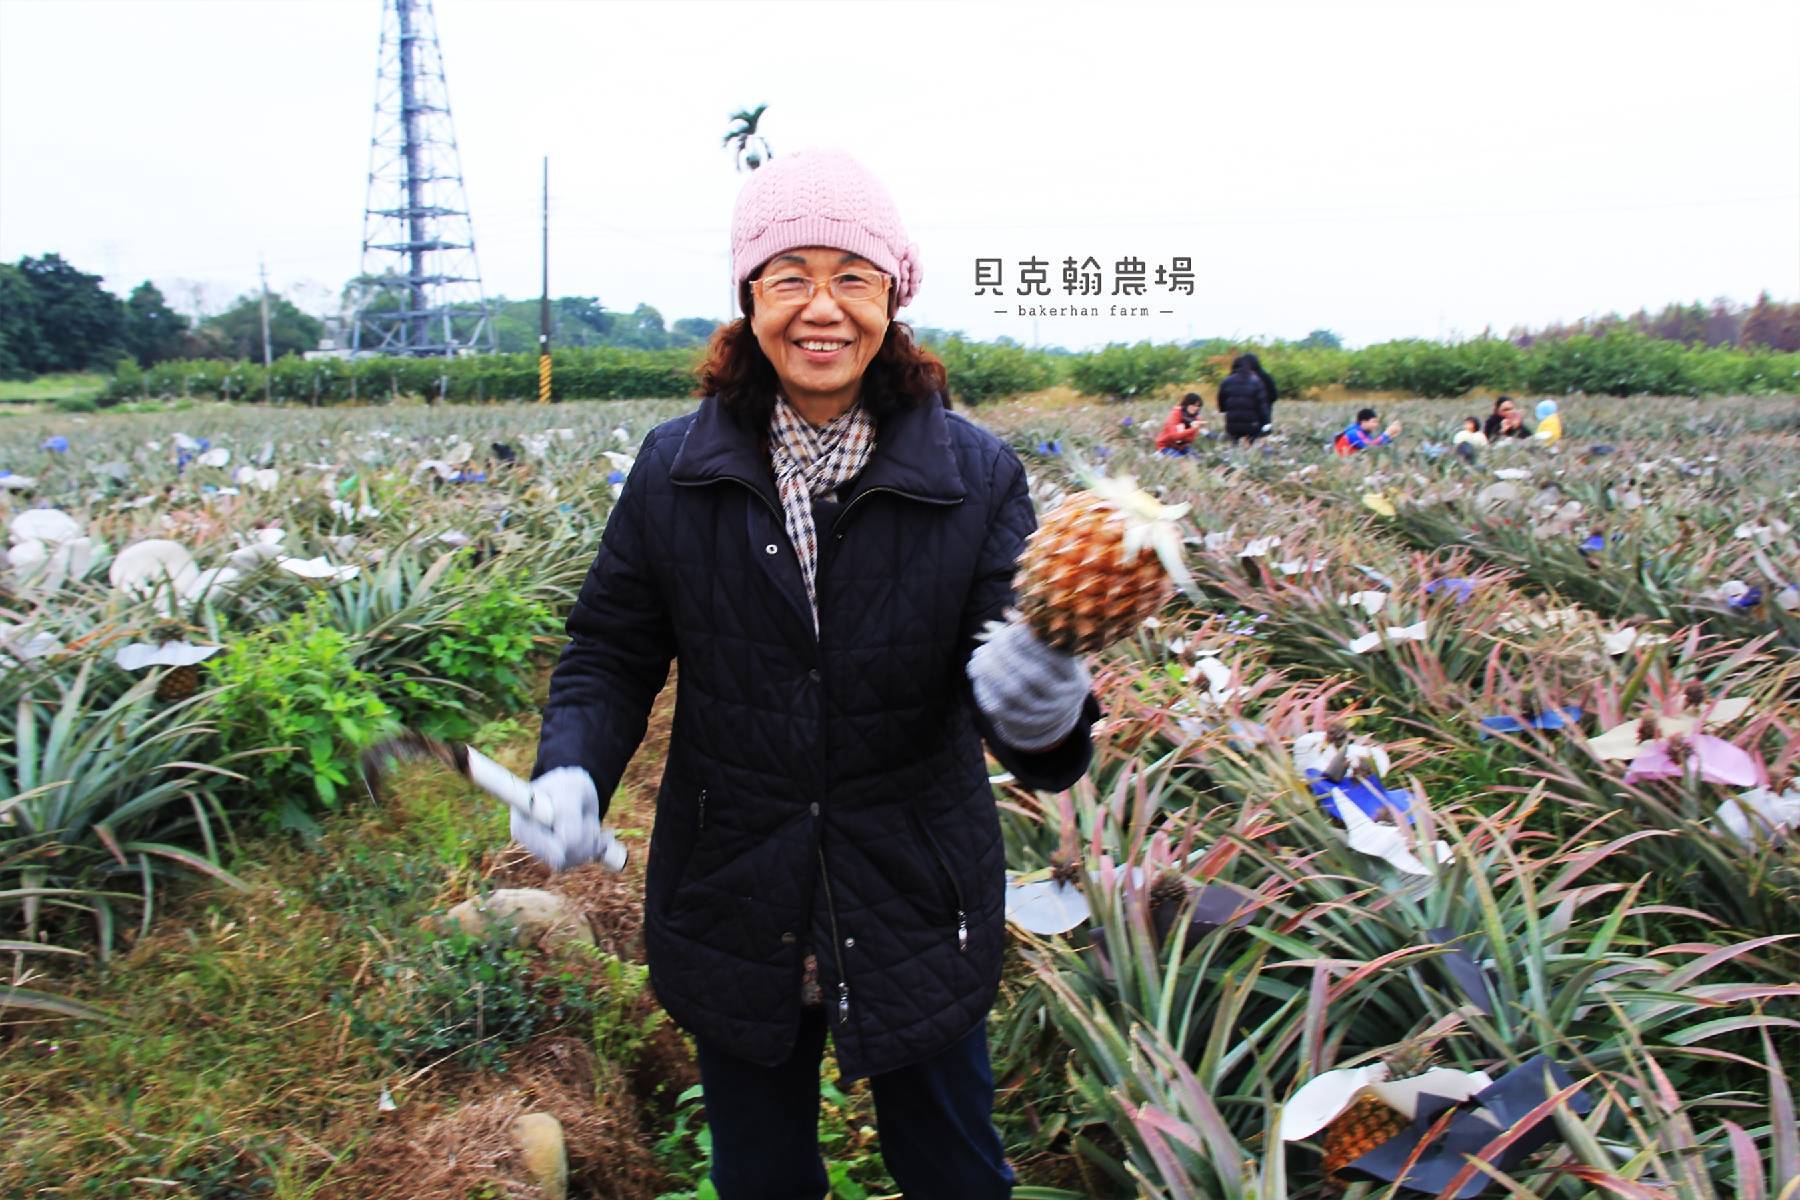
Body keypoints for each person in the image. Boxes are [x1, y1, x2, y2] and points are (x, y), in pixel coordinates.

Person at [523, 149, 1097, 1198]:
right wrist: (572, 768)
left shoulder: (973, 476)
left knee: (957, 1173)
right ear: (748, 298)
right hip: (738, 885)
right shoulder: (676, 469)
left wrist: (1049, 706)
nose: (820, 308)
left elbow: (1018, 695)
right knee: (763, 1177)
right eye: (789, 275)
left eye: (853, 276)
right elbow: (610, 651)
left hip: (914, 892)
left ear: (894, 295)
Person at [1216, 355, 1272, 442]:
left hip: (1232, 425)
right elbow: (1262, 406)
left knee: (1234, 446)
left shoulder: (1226, 381)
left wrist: (1227, 410)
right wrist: (1266, 422)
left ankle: (1235, 453)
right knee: (1251, 447)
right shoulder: (1256, 381)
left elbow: (1221, 404)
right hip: (1252, 424)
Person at [1334, 407, 1401, 454]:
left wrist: (1391, 437)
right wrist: (1387, 433)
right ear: (1363, 422)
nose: (1376, 425)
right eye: (1373, 422)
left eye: (1377, 422)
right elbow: (1370, 447)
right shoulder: (1353, 433)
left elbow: (1376, 446)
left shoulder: (1364, 433)